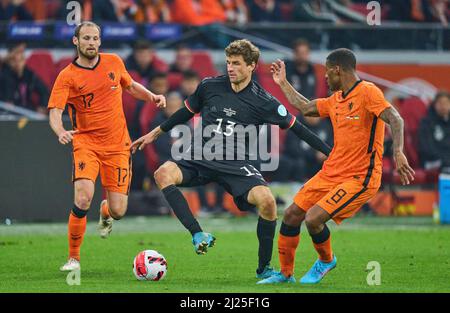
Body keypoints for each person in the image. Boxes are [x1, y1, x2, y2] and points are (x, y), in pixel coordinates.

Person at [131, 39, 332, 279]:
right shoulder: (209, 86)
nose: (230, 67)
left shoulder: (263, 100)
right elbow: (186, 111)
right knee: (163, 173)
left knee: (267, 202)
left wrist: (331, 153)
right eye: (228, 62)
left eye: (236, 63)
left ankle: (264, 268)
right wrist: (154, 134)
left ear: (251, 66)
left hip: (237, 164)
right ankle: (197, 234)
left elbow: (298, 128)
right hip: (200, 157)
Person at [258, 48, 415, 284]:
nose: (325, 78)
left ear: (337, 70)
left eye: (327, 73)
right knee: (291, 215)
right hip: (331, 173)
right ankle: (285, 274)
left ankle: (326, 260)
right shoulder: (337, 99)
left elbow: (396, 118)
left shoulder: (368, 92)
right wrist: (282, 83)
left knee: (313, 219)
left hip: (360, 177)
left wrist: (398, 151)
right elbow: (306, 107)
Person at [47, 21, 166, 272]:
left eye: (95, 38)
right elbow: (55, 111)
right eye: (86, 38)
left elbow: (131, 86)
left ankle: (106, 211)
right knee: (82, 197)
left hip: (117, 146)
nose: (91, 43)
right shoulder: (67, 76)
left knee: (119, 210)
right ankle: (73, 259)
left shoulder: (113, 62)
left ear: (100, 41)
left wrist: (152, 96)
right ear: (75, 41)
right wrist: (60, 131)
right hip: (85, 143)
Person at [0, 42, 49, 113]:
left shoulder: (28, 73)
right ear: (10, 55)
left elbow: (44, 91)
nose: (20, 56)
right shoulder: (4, 72)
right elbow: (7, 98)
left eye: (22, 52)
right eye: (18, 52)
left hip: (26, 112)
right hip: (6, 113)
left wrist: (42, 107)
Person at [418, 91, 450, 171]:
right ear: (434, 105)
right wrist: (444, 158)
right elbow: (426, 148)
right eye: (440, 103)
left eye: (446, 103)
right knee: (446, 164)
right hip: (431, 161)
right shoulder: (426, 122)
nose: (443, 106)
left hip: (447, 160)